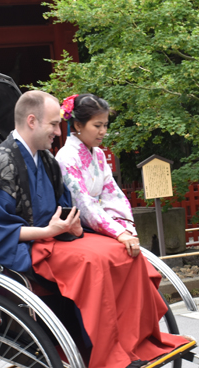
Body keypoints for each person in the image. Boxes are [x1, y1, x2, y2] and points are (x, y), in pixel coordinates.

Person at [0, 90, 192, 368]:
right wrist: (47, 230)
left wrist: (71, 224)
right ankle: (102, 353)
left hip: (54, 236)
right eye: (54, 124)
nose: (59, 131)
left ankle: (137, 342)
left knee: (120, 252)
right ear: (32, 121)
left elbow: (65, 204)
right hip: (26, 245)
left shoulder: (43, 158)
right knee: (92, 262)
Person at [55, 93, 140, 257]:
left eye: (105, 125)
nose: (103, 131)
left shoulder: (99, 155)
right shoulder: (66, 157)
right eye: (97, 125)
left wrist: (125, 229)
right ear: (78, 125)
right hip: (78, 228)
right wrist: (117, 232)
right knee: (115, 253)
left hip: (102, 222)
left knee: (130, 251)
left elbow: (113, 196)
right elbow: (83, 202)